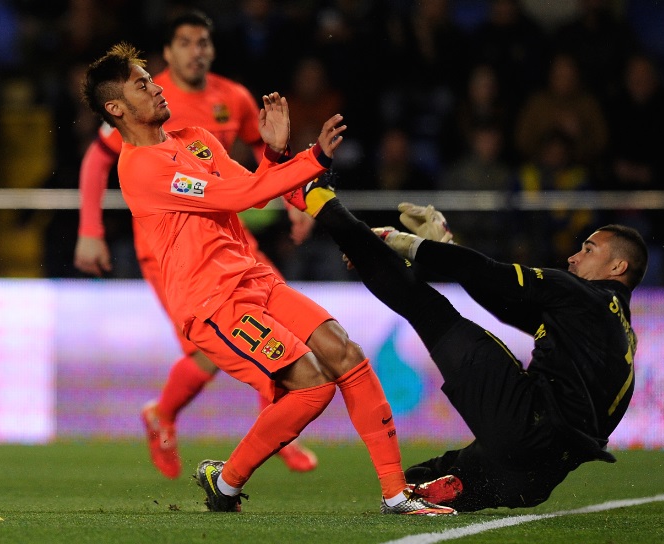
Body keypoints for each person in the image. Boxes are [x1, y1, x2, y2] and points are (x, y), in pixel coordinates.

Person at [80, 42, 456, 516]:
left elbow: (254, 191)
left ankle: (395, 494)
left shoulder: (194, 137)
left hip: (255, 277)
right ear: (116, 107)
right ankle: (228, 479)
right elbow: (237, 194)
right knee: (313, 386)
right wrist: (313, 157)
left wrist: (277, 154)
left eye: (151, 78)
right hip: (215, 302)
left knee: (346, 352)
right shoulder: (142, 169)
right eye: (142, 84)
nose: (156, 86)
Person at [294, 181, 648, 512]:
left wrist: (403, 243)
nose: (573, 257)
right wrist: (447, 250)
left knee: (425, 307)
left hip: (525, 423)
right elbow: (504, 303)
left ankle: (321, 201)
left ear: (618, 266)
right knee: (413, 485)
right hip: (536, 478)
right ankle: (454, 484)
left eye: (588, 249)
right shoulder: (618, 332)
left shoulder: (580, 294)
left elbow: (489, 273)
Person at [73, 10, 318, 478]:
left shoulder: (235, 99)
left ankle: (255, 417)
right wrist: (90, 229)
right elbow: (95, 160)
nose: (196, 50)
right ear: (169, 52)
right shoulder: (140, 96)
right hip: (173, 252)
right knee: (212, 341)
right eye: (185, 42)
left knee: (272, 321)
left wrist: (292, 203)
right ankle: (269, 425)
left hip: (230, 236)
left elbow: (266, 159)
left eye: (203, 41)